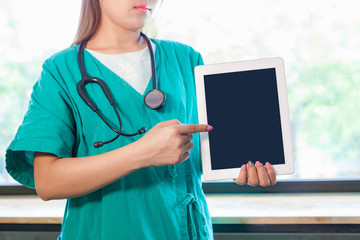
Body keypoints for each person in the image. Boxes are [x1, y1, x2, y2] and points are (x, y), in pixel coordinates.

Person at [5, 0, 277, 239]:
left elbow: (206, 152)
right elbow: (48, 182)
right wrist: (142, 153)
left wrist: (246, 166)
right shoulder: (60, 71)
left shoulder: (186, 59)